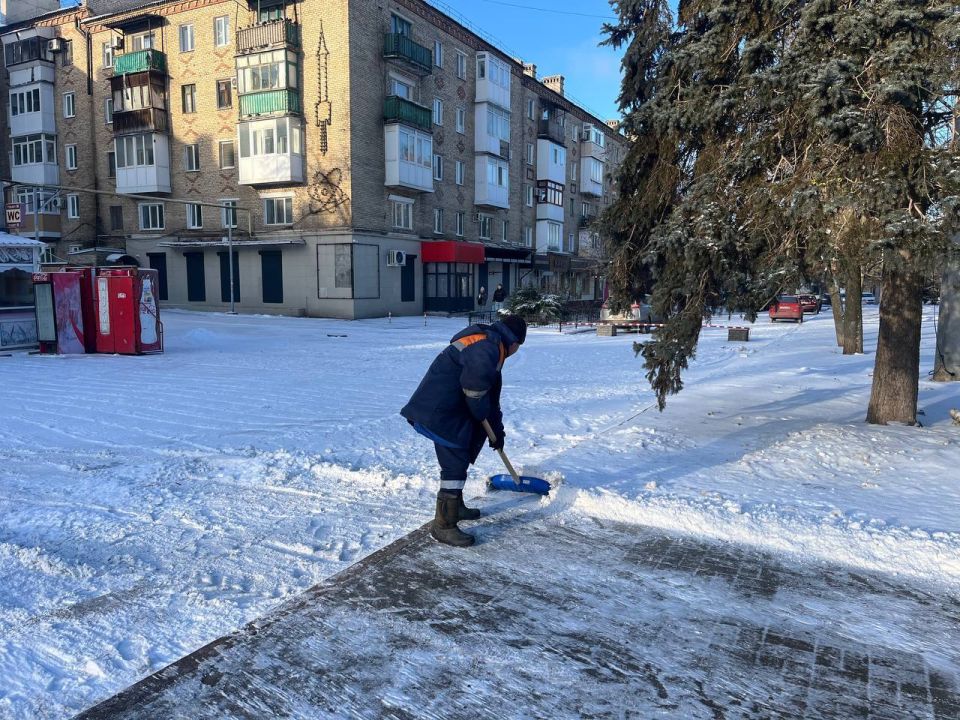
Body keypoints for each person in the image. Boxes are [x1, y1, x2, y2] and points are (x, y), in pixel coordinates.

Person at [401, 315, 528, 547]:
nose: (516, 351)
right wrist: (482, 416)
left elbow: (490, 399)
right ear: (515, 341)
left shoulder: (492, 346)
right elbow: (476, 392)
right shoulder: (486, 346)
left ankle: (456, 507)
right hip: (439, 413)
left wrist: (497, 433)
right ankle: (443, 525)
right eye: (519, 346)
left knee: (458, 459)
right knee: (454, 464)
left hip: (448, 411)